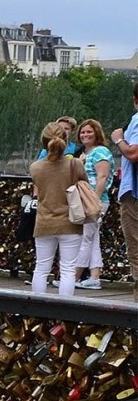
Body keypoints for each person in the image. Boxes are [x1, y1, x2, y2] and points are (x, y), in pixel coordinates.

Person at [30, 122, 90, 296]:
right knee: (68, 270)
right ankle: (65, 312)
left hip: (44, 221)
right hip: (71, 221)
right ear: (65, 140)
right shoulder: (75, 165)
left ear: (44, 142)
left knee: (41, 268)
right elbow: (84, 185)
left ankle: (38, 310)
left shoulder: (36, 167)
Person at [74, 119, 113, 289]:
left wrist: (94, 200)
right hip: (84, 199)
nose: (85, 135)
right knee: (92, 238)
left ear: (97, 133)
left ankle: (73, 277)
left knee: (84, 238)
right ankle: (94, 276)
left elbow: (102, 177)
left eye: (89, 131)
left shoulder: (100, 152)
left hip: (94, 201)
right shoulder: (85, 154)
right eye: (83, 132)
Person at [114, 83, 138, 302]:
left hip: (135, 194)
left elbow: (133, 153)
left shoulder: (137, 120)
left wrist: (119, 138)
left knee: (136, 249)